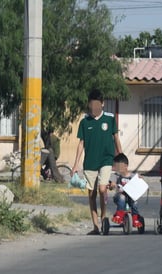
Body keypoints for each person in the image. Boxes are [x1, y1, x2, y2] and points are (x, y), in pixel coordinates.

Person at [72, 89, 123, 235]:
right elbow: (81, 143)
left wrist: (121, 157)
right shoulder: (84, 122)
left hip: (106, 160)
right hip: (89, 163)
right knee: (91, 194)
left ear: (102, 104)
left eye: (97, 104)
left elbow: (116, 139)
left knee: (102, 189)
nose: (94, 107)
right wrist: (76, 164)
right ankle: (95, 226)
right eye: (91, 104)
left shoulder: (110, 119)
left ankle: (104, 218)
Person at [108, 153, 143, 228]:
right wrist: (112, 185)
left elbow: (138, 181)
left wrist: (139, 179)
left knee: (135, 200)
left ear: (126, 166)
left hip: (130, 197)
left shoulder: (133, 176)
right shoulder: (116, 175)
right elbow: (112, 183)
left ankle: (135, 218)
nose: (117, 169)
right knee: (122, 197)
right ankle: (119, 214)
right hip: (119, 197)